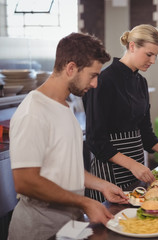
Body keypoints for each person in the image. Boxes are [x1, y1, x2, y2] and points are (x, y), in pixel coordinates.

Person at [8, 32, 129, 240]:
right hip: (40, 230)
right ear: (71, 68)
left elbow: (65, 167)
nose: (95, 84)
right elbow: (25, 182)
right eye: (93, 75)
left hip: (70, 226)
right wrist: (84, 202)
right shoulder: (34, 111)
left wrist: (102, 185)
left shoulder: (67, 106)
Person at [82, 24, 158, 202]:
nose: (153, 61)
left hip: (137, 171)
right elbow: (95, 140)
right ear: (132, 46)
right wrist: (132, 165)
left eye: (155, 55)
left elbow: (146, 134)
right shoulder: (104, 80)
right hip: (109, 172)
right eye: (149, 54)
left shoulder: (141, 83)